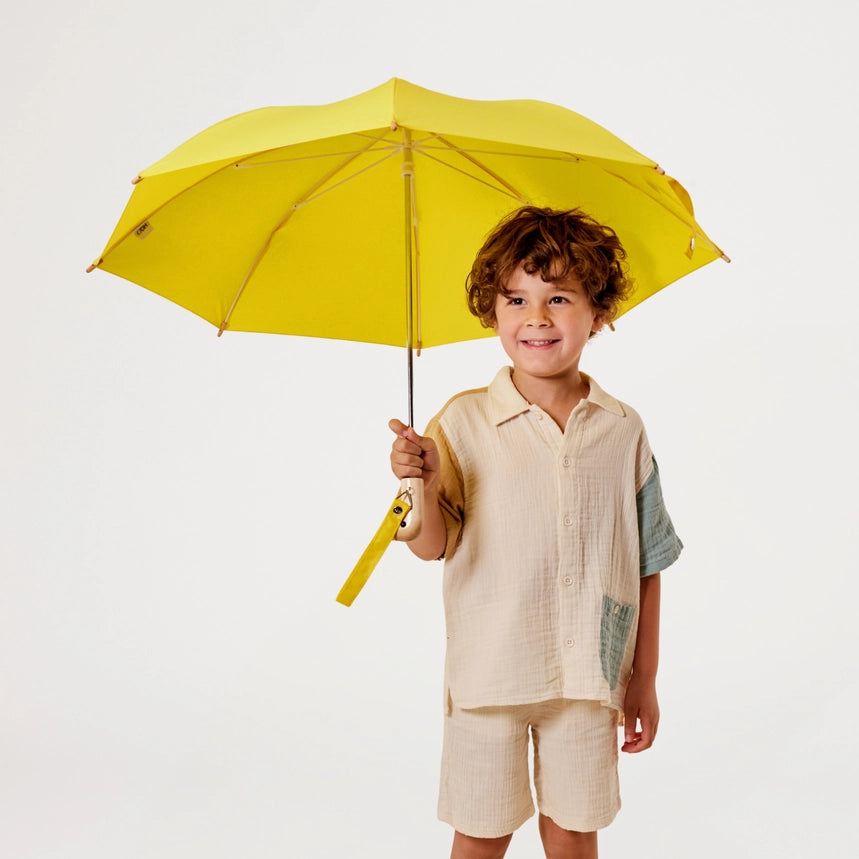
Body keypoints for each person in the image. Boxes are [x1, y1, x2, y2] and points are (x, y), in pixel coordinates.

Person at [389, 206, 682, 859]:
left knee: (574, 831)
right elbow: (429, 543)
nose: (536, 317)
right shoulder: (460, 423)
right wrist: (421, 483)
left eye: (559, 298)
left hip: (588, 674)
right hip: (490, 670)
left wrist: (643, 677)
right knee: (481, 830)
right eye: (516, 298)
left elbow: (647, 558)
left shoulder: (622, 428)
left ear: (597, 313)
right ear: (492, 311)